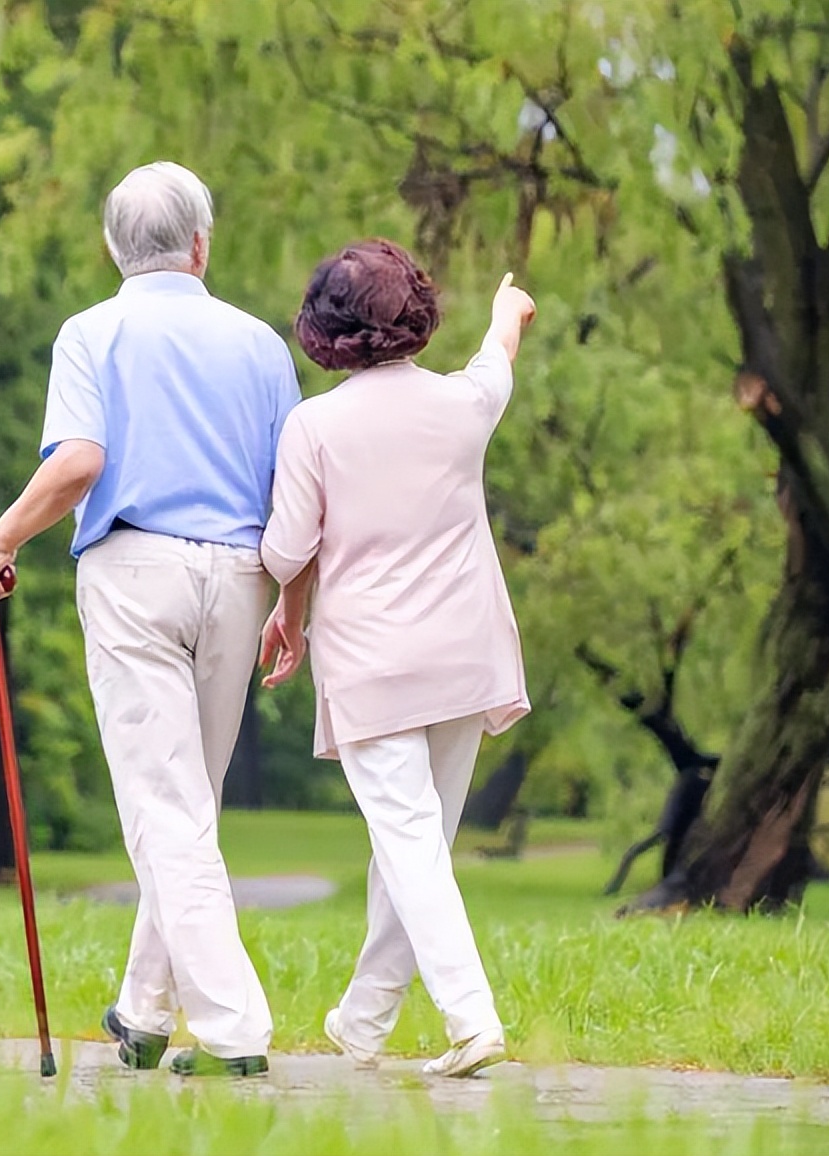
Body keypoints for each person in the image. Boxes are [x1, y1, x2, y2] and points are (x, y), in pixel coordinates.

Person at [0, 161, 300, 1077]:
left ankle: (234, 1030)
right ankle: (146, 1014)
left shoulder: (92, 332)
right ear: (202, 244)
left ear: (114, 249)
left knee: (166, 809)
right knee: (188, 806)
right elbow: (294, 492)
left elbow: (79, 461)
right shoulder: (261, 345)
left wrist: (0, 541)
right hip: (241, 578)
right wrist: (294, 605)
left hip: (134, 569)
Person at [259, 240, 534, 1078]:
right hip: (466, 654)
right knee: (415, 845)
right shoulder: (462, 406)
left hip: (375, 662)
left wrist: (287, 600)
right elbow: (498, 358)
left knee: (409, 843)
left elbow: (284, 550)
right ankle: (366, 1019)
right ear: (414, 314)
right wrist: (505, 311)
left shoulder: (315, 426)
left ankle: (471, 1018)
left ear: (326, 328)